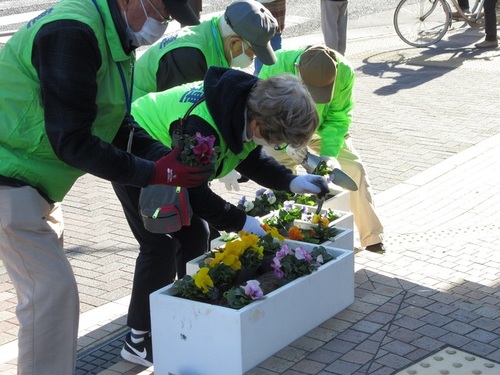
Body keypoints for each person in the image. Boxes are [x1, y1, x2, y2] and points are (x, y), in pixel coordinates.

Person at [0, 0, 212, 374]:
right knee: (52, 297)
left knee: (47, 298)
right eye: (162, 10)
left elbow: (116, 124)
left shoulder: (114, 36)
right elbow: (73, 141)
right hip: (9, 178)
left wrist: (168, 158)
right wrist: (154, 173)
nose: (162, 22)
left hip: (33, 185)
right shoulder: (73, 33)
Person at [114, 66, 329, 367]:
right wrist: (246, 224)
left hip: (171, 161)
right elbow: (197, 194)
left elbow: (250, 158)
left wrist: (292, 182)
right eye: (277, 141)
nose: (276, 147)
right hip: (137, 150)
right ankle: (138, 339)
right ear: (260, 124)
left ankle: (182, 311)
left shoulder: (245, 105)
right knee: (159, 245)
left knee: (195, 234)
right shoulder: (203, 129)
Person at [258, 44, 386, 254]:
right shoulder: (275, 65)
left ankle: (371, 236)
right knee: (279, 175)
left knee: (354, 168)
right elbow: (261, 114)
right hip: (283, 131)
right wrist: (283, 142)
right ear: (297, 69)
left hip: (323, 130)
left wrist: (328, 155)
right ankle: (285, 238)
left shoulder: (343, 70)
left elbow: (338, 117)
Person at [132, 0, 278, 100]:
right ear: (234, 43)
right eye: (253, 52)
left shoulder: (215, 34)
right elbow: (181, 114)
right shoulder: (190, 56)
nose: (253, 58)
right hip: (135, 117)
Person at [254, 0, 287, 75]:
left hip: (269, 17)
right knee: (273, 57)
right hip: (262, 17)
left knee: (271, 56)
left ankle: (259, 80)